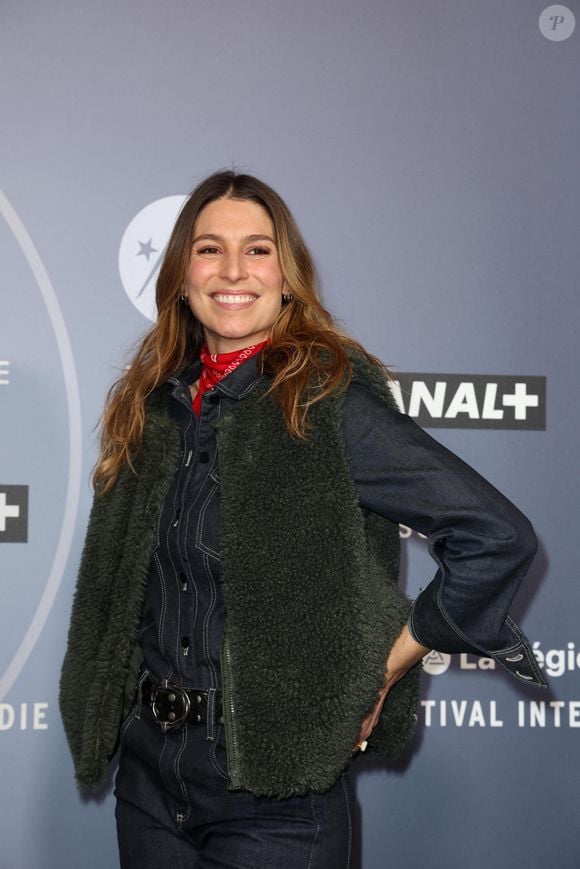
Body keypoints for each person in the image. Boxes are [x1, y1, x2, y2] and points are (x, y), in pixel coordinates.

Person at [60, 170, 546, 868]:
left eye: (257, 249)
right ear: (181, 274)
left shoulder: (323, 402)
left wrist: (384, 665)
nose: (233, 270)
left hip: (277, 802)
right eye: (209, 249)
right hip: (149, 787)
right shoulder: (154, 407)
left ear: (286, 276)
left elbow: (496, 535)